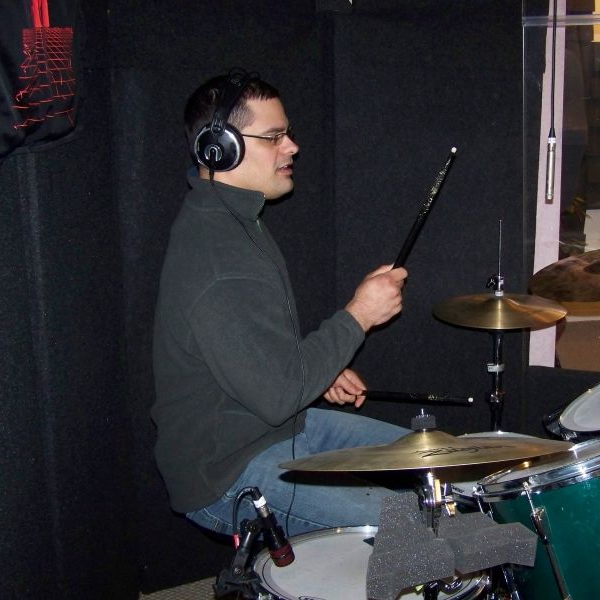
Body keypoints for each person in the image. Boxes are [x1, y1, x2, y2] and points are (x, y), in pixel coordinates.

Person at [151, 69, 410, 538]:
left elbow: (259, 358)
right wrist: (359, 316)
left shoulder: (233, 217)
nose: (292, 147)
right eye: (274, 137)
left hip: (280, 427)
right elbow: (278, 396)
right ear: (220, 148)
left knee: (438, 461)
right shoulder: (218, 258)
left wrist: (319, 369)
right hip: (226, 472)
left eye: (287, 133)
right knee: (411, 524)